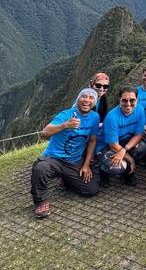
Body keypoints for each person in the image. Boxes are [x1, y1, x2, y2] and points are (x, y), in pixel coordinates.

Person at [30, 88, 100, 219]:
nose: (87, 100)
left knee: (91, 189)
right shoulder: (66, 114)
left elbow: (92, 141)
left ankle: (65, 179)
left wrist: (85, 165)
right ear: (78, 99)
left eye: (91, 98)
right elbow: (45, 133)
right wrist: (66, 125)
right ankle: (40, 202)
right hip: (54, 158)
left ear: (95, 103)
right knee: (40, 168)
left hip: (74, 161)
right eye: (84, 97)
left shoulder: (95, 117)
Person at [96, 86, 146, 187]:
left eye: (132, 100)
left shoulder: (140, 110)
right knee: (117, 168)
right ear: (119, 100)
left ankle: (128, 171)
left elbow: (138, 134)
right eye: (124, 100)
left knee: (142, 147)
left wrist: (124, 150)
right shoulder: (112, 117)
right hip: (106, 147)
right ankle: (103, 170)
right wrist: (130, 160)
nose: (128, 104)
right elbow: (113, 146)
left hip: (123, 144)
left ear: (137, 100)